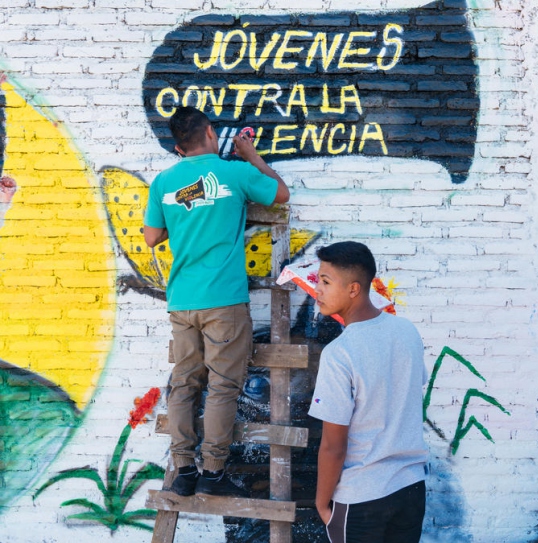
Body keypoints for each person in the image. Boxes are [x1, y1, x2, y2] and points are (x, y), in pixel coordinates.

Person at [144, 106, 290, 497]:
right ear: (210, 132)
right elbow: (281, 195)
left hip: (182, 301)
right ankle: (212, 473)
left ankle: (183, 470)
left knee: (185, 385)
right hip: (223, 301)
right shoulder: (235, 173)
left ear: (178, 147)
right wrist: (251, 155)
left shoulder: (163, 182)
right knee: (223, 387)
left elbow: (150, 236)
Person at [309, 241, 428, 543]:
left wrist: (322, 505)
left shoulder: (340, 353)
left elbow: (334, 446)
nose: (317, 290)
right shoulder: (407, 331)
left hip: (362, 497)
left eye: (325, 281)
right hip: (411, 489)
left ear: (353, 289)